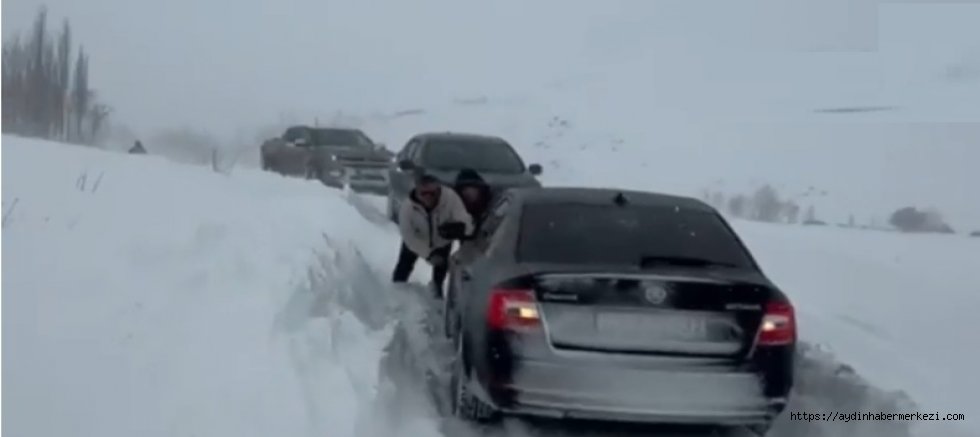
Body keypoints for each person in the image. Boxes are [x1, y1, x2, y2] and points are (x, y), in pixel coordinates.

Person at [393, 171, 473, 298]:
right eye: (423, 193)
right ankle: (395, 293)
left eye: (432, 193)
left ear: (439, 190)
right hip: (417, 240)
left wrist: (460, 228)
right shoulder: (407, 208)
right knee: (404, 267)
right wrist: (428, 254)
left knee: (440, 271)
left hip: (442, 241)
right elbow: (408, 236)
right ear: (417, 191)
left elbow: (466, 220)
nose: (428, 197)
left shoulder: (450, 198)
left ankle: (437, 294)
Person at [452, 168, 493, 238]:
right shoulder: (459, 211)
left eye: (470, 186)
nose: (466, 192)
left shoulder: (492, 207)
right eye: (463, 189)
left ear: (479, 187)